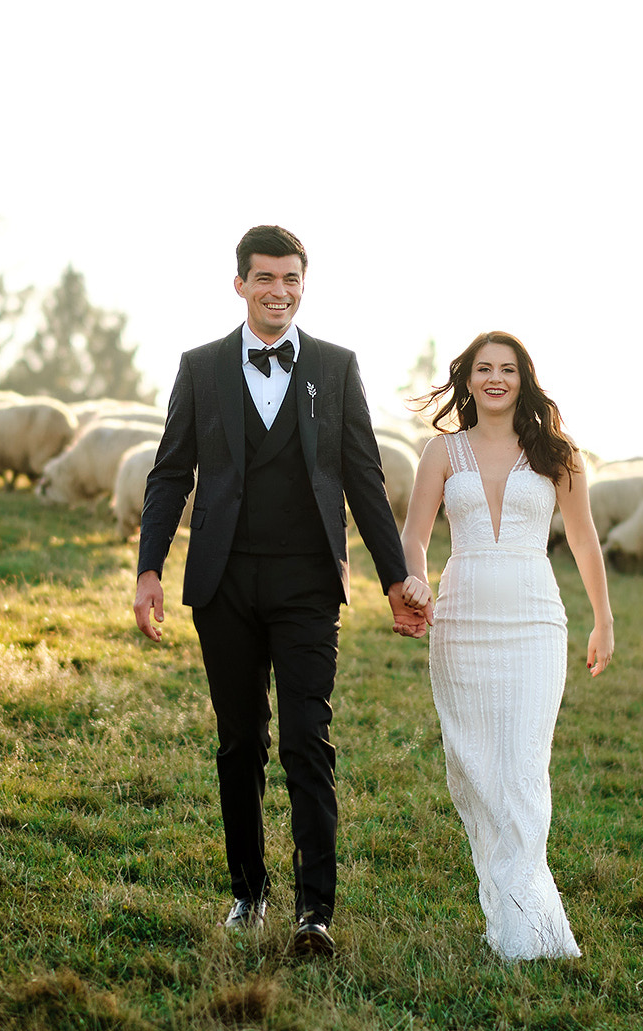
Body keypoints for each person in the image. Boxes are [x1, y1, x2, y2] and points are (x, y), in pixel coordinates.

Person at [134, 225, 427, 957]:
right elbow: (171, 473)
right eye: (265, 278)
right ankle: (247, 891)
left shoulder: (336, 365)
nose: (279, 291)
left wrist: (396, 579)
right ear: (240, 284)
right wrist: (149, 570)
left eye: (291, 278)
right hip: (223, 584)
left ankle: (314, 912)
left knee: (306, 741)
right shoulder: (199, 368)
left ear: (304, 284)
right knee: (240, 744)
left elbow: (365, 478)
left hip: (306, 586)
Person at [398, 330, 614, 960]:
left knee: (522, 769)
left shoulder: (559, 454)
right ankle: (507, 909)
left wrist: (604, 620)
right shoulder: (441, 453)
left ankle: (529, 928)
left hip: (535, 623)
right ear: (466, 379)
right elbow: (413, 536)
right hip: (460, 621)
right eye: (484, 369)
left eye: (508, 370)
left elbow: (584, 540)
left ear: (525, 379)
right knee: (475, 771)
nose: (496, 379)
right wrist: (413, 578)